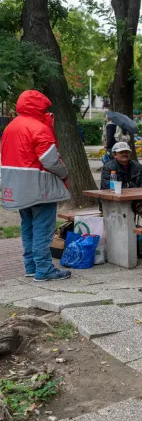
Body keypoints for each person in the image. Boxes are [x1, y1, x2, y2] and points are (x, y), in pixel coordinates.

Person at [0, 90, 71, 281]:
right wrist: (65, 174)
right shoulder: (39, 128)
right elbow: (51, 161)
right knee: (43, 229)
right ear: (39, 107)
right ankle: (44, 269)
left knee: (28, 227)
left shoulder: (10, 127)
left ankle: (30, 266)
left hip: (17, 188)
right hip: (40, 188)